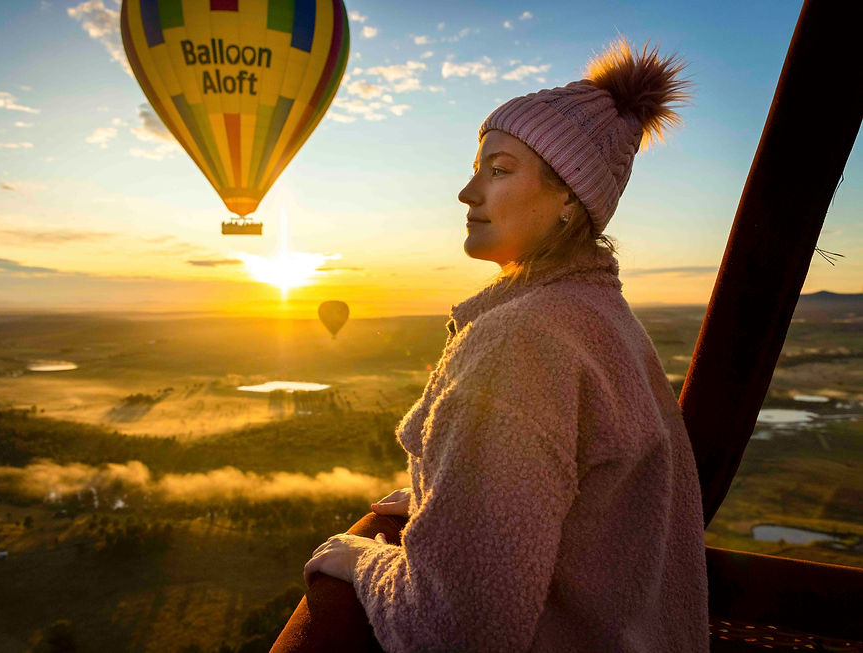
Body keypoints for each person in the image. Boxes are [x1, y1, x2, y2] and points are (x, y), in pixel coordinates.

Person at [274, 36, 708, 652]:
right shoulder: (599, 317)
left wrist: (364, 563)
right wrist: (448, 502)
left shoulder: (518, 343)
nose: (468, 192)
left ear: (568, 200)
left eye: (499, 170)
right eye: (478, 166)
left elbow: (455, 629)